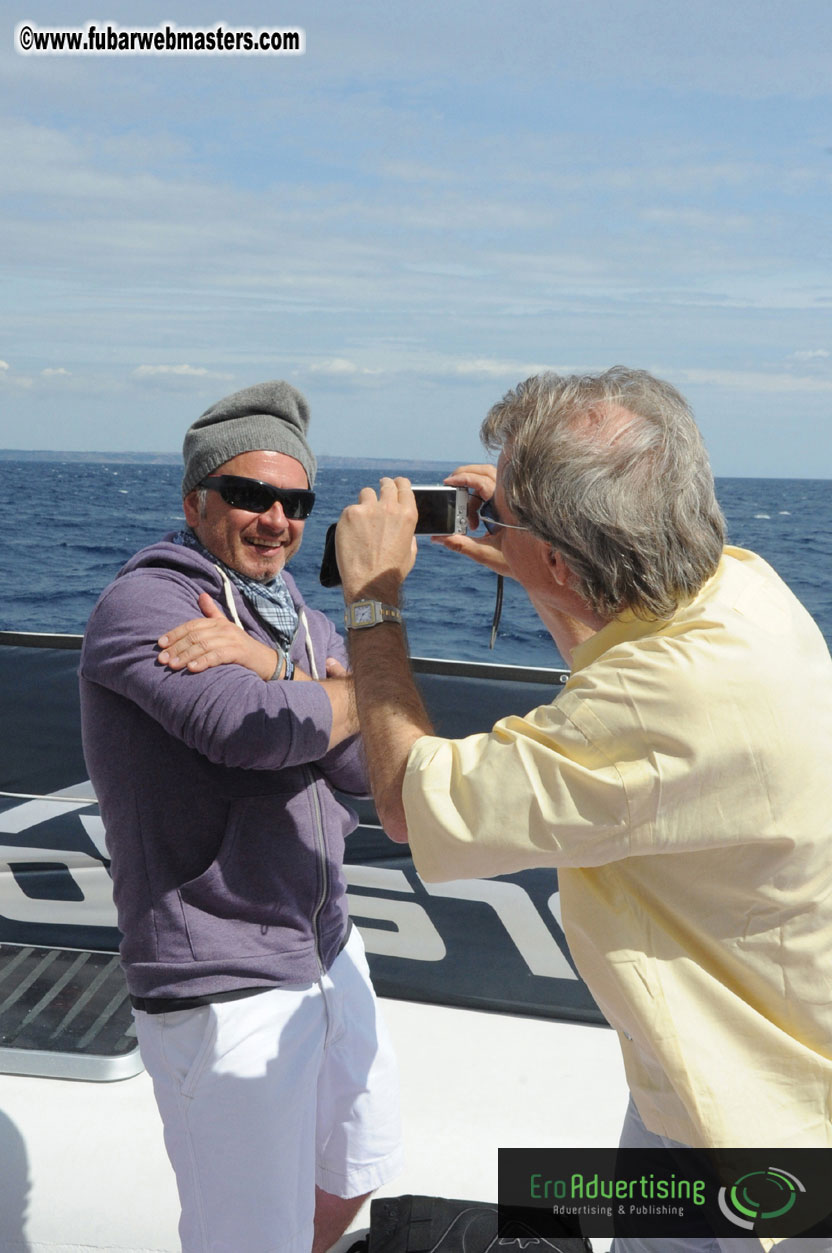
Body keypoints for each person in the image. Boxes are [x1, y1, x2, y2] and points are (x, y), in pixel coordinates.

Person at [332, 367, 832, 1249]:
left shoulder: (657, 705)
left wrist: (373, 597)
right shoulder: (742, 589)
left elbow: (410, 799)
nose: (493, 519)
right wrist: (538, 564)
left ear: (566, 558)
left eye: (508, 515)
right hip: (704, 1079)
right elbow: (617, 675)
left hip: (752, 1140)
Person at [79, 381, 402, 1253]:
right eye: (250, 493)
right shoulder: (147, 605)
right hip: (221, 975)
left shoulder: (301, 621)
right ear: (195, 502)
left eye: (295, 502)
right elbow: (247, 731)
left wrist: (271, 666)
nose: (276, 518)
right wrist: (345, 694)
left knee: (358, 1164)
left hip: (326, 946)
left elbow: (367, 768)